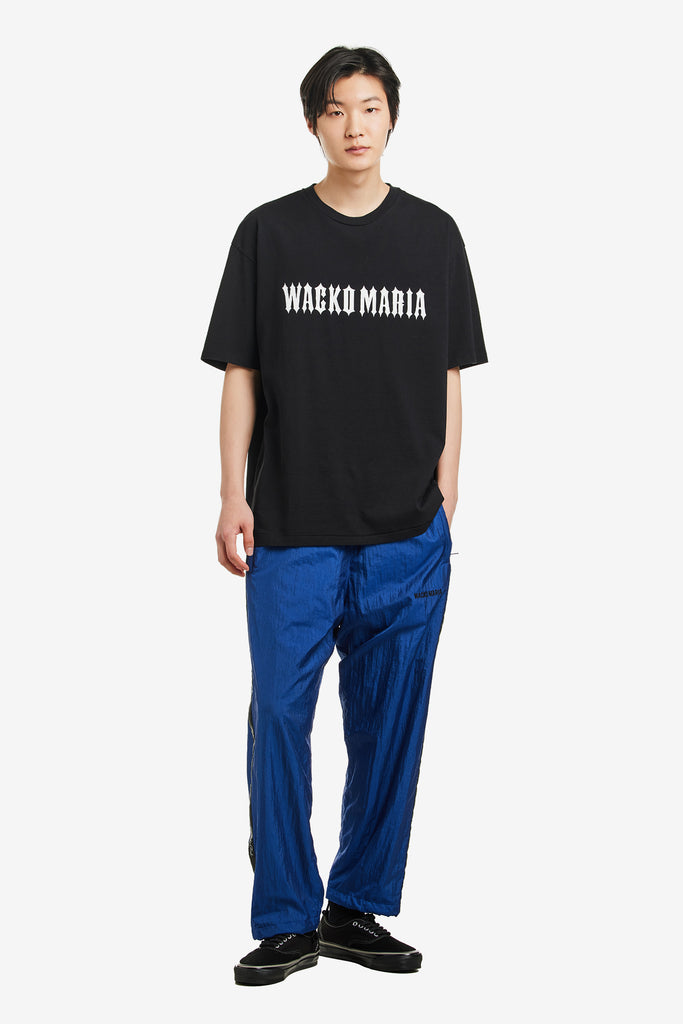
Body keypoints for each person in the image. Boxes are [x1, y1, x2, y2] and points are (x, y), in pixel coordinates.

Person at [200, 44, 488, 987]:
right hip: (292, 527)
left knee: (391, 724)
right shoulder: (269, 234)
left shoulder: (434, 236)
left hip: (407, 535)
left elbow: (449, 372)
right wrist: (232, 492)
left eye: (368, 107)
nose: (354, 125)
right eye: (335, 109)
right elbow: (240, 372)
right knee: (279, 718)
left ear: (391, 117)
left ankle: (354, 907)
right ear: (312, 123)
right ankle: (286, 918)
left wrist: (448, 491)